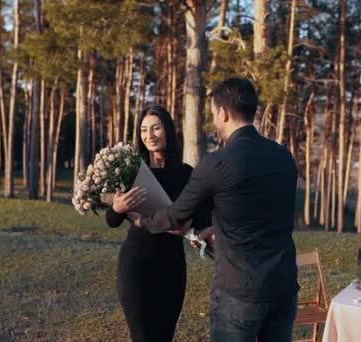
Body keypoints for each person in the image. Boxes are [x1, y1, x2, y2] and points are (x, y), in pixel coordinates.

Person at [132, 78, 299, 341]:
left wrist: (144, 221)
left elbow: (177, 214)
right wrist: (214, 230)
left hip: (239, 291)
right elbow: (263, 213)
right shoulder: (284, 156)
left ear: (223, 113)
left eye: (214, 115)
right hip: (284, 287)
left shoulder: (217, 163)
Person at [105, 105, 210, 342]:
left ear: (168, 131)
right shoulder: (131, 171)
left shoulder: (185, 173)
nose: (149, 135)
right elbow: (112, 221)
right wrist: (117, 207)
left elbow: (202, 216)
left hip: (171, 268)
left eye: (155, 128)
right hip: (136, 267)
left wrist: (191, 226)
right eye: (143, 130)